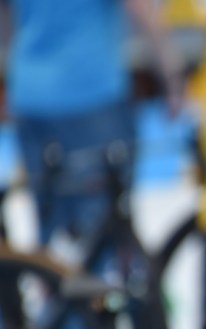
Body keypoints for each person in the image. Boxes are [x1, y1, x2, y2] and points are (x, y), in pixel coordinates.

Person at [1, 0, 184, 255]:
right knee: (103, 229)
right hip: (90, 95)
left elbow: (8, 18)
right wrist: (172, 75)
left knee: (53, 228)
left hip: (30, 97)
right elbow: (139, 8)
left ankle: (54, 287)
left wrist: (12, 79)